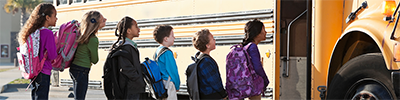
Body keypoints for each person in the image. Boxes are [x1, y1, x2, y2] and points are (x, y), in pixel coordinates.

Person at [17, 3, 58, 100]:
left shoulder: (32, 32)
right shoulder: (48, 33)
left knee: (35, 96)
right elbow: (52, 55)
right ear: (47, 18)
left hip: (33, 71)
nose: (56, 19)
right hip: (44, 71)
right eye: (55, 16)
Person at [70, 11, 106, 100]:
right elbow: (95, 60)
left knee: (78, 96)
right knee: (80, 97)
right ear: (96, 24)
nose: (105, 20)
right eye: (102, 20)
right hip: (82, 70)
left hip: (74, 67)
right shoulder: (93, 40)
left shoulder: (81, 35)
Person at [110, 16, 146, 100]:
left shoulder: (127, 46)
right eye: (136, 26)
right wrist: (139, 80)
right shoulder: (126, 47)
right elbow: (126, 68)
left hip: (130, 87)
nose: (139, 29)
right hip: (130, 88)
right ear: (128, 31)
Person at [192, 29, 227, 100]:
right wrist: (224, 94)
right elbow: (214, 81)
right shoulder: (206, 62)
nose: (215, 40)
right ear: (207, 45)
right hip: (212, 96)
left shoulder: (199, 58)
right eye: (213, 39)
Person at [241, 19, 270, 100]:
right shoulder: (253, 47)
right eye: (264, 30)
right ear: (257, 33)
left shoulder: (246, 46)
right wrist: (265, 80)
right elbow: (257, 67)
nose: (266, 32)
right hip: (253, 85)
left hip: (247, 84)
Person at [153, 25, 180, 100]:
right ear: (166, 39)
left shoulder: (157, 51)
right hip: (169, 85)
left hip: (161, 84)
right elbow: (173, 71)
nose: (174, 37)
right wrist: (177, 85)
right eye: (172, 35)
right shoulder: (167, 52)